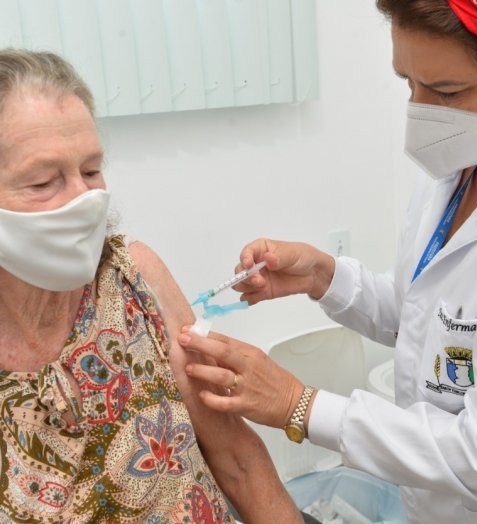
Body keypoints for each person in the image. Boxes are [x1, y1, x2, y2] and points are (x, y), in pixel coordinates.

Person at [177, 1, 477, 523]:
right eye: (408, 82)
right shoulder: (457, 166)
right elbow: (424, 317)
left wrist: (299, 404)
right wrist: (323, 276)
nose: (422, 111)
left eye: (448, 93)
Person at [0, 48, 306, 524]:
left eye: (91, 170)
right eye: (44, 182)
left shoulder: (135, 277)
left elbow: (240, 461)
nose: (86, 200)